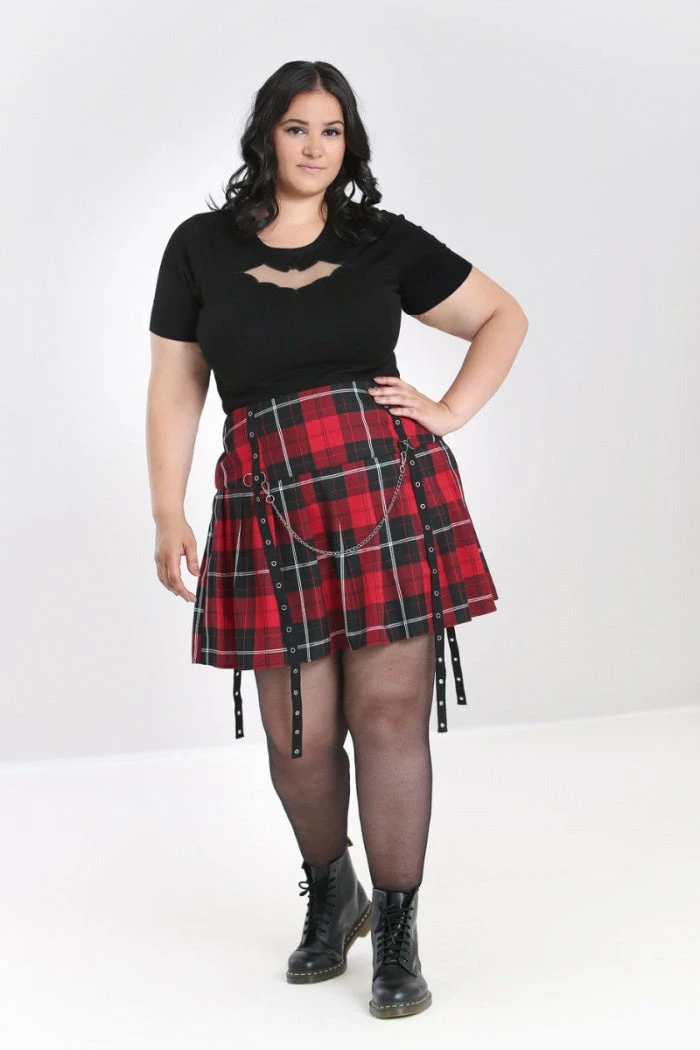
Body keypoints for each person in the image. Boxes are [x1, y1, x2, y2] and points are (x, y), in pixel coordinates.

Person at [146, 59, 528, 1020]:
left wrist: (448, 410)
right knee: (299, 733)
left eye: (331, 130)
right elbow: (177, 382)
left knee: (390, 711)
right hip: (267, 498)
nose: (314, 147)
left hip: (384, 488)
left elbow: (501, 316)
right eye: (296, 128)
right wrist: (166, 508)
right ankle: (333, 890)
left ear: (348, 142)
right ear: (266, 136)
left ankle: (397, 931)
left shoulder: (380, 241)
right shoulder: (199, 247)